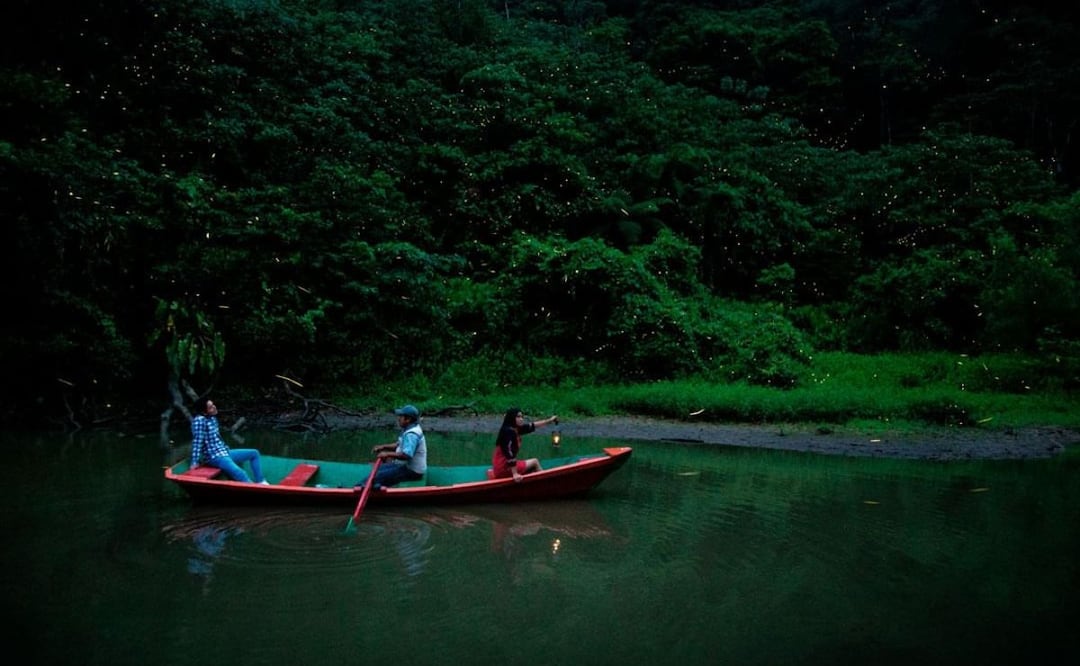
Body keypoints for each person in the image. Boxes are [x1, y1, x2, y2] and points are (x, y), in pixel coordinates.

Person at [189, 398, 269, 484]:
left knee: (254, 453)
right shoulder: (200, 421)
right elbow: (197, 442)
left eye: (213, 405)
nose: (214, 407)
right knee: (241, 473)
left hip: (224, 452)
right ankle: (256, 490)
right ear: (204, 412)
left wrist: (225, 448)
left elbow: (217, 438)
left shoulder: (212, 418)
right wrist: (194, 461)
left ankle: (261, 482)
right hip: (215, 457)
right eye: (210, 407)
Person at [362, 404, 427, 490]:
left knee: (377, 477)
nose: (398, 419)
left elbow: (406, 455)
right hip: (404, 466)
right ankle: (373, 486)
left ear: (408, 419)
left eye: (401, 416)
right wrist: (383, 447)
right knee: (378, 470)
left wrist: (387, 454)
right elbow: (398, 445)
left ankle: (362, 488)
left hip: (412, 471)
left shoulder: (412, 434)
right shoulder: (409, 428)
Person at [492, 407, 559, 482]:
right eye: (518, 417)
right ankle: (547, 484)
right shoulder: (508, 431)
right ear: (511, 417)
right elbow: (509, 453)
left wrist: (550, 420)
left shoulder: (515, 429)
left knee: (531, 468)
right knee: (534, 462)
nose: (521, 419)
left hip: (502, 466)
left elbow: (532, 426)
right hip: (503, 468)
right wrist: (515, 474)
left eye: (522, 417)